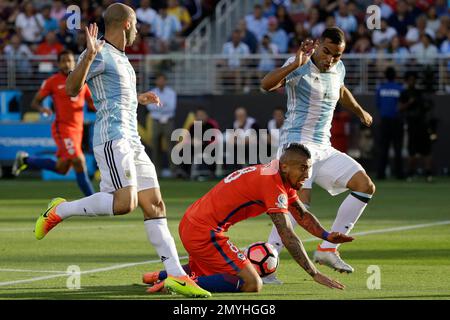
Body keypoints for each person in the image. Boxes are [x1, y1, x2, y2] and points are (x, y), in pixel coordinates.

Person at [34, 3, 210, 298]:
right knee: (124, 204)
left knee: (155, 205)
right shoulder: (98, 51)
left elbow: (113, 94)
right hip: (112, 138)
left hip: (132, 141)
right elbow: (71, 89)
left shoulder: (123, 58)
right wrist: (88, 57)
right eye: (137, 25)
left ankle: (176, 276)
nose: (139, 30)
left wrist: (138, 98)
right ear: (126, 23)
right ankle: (59, 210)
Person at [143, 144, 353, 293]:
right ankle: (178, 282)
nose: (307, 175)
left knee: (213, 270)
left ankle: (158, 276)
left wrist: (326, 235)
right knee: (252, 283)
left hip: (193, 222)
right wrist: (314, 273)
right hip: (203, 232)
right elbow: (287, 234)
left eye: (309, 168)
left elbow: (302, 215)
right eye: (303, 168)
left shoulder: (277, 174)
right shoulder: (273, 185)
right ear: (286, 166)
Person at [261, 27, 376, 279]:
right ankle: (268, 264)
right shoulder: (298, 63)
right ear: (317, 46)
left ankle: (328, 248)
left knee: (364, 185)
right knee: (299, 201)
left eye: (337, 55)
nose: (331, 59)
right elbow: (266, 85)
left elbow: (341, 90)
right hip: (296, 145)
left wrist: (360, 111)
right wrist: (295, 64)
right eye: (327, 52)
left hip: (323, 147)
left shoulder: (338, 67)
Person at [12, 50, 96, 197]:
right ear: (58, 64)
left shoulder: (81, 81)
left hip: (77, 130)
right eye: (63, 61)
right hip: (62, 128)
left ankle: (25, 159)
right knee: (78, 160)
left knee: (62, 168)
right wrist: (43, 108)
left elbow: (92, 103)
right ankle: (93, 199)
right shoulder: (52, 81)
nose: (66, 64)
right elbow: (35, 102)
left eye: (69, 60)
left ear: (74, 62)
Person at [399, 71, 435, 182]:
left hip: (423, 125)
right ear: (406, 81)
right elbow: (400, 108)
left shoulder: (420, 93)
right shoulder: (404, 93)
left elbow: (429, 106)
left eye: (414, 79)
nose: (412, 81)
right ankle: (411, 173)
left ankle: (428, 174)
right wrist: (410, 103)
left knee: (426, 151)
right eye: (410, 79)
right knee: (412, 151)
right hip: (412, 125)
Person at [375, 67, 404, 180]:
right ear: (395, 76)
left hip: (385, 122)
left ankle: (381, 174)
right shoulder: (400, 89)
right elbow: (402, 106)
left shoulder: (380, 89)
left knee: (383, 149)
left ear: (385, 76)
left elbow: (378, 105)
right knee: (398, 148)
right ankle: (399, 174)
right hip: (397, 121)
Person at [146, 73, 177, 177]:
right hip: (156, 121)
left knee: (170, 146)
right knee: (155, 147)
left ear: (165, 81)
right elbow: (150, 107)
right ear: (156, 81)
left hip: (168, 121)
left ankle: (173, 171)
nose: (161, 82)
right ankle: (156, 172)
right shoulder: (152, 92)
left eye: (162, 80)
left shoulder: (171, 93)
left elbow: (171, 107)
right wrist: (163, 105)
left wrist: (158, 105)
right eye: (159, 80)